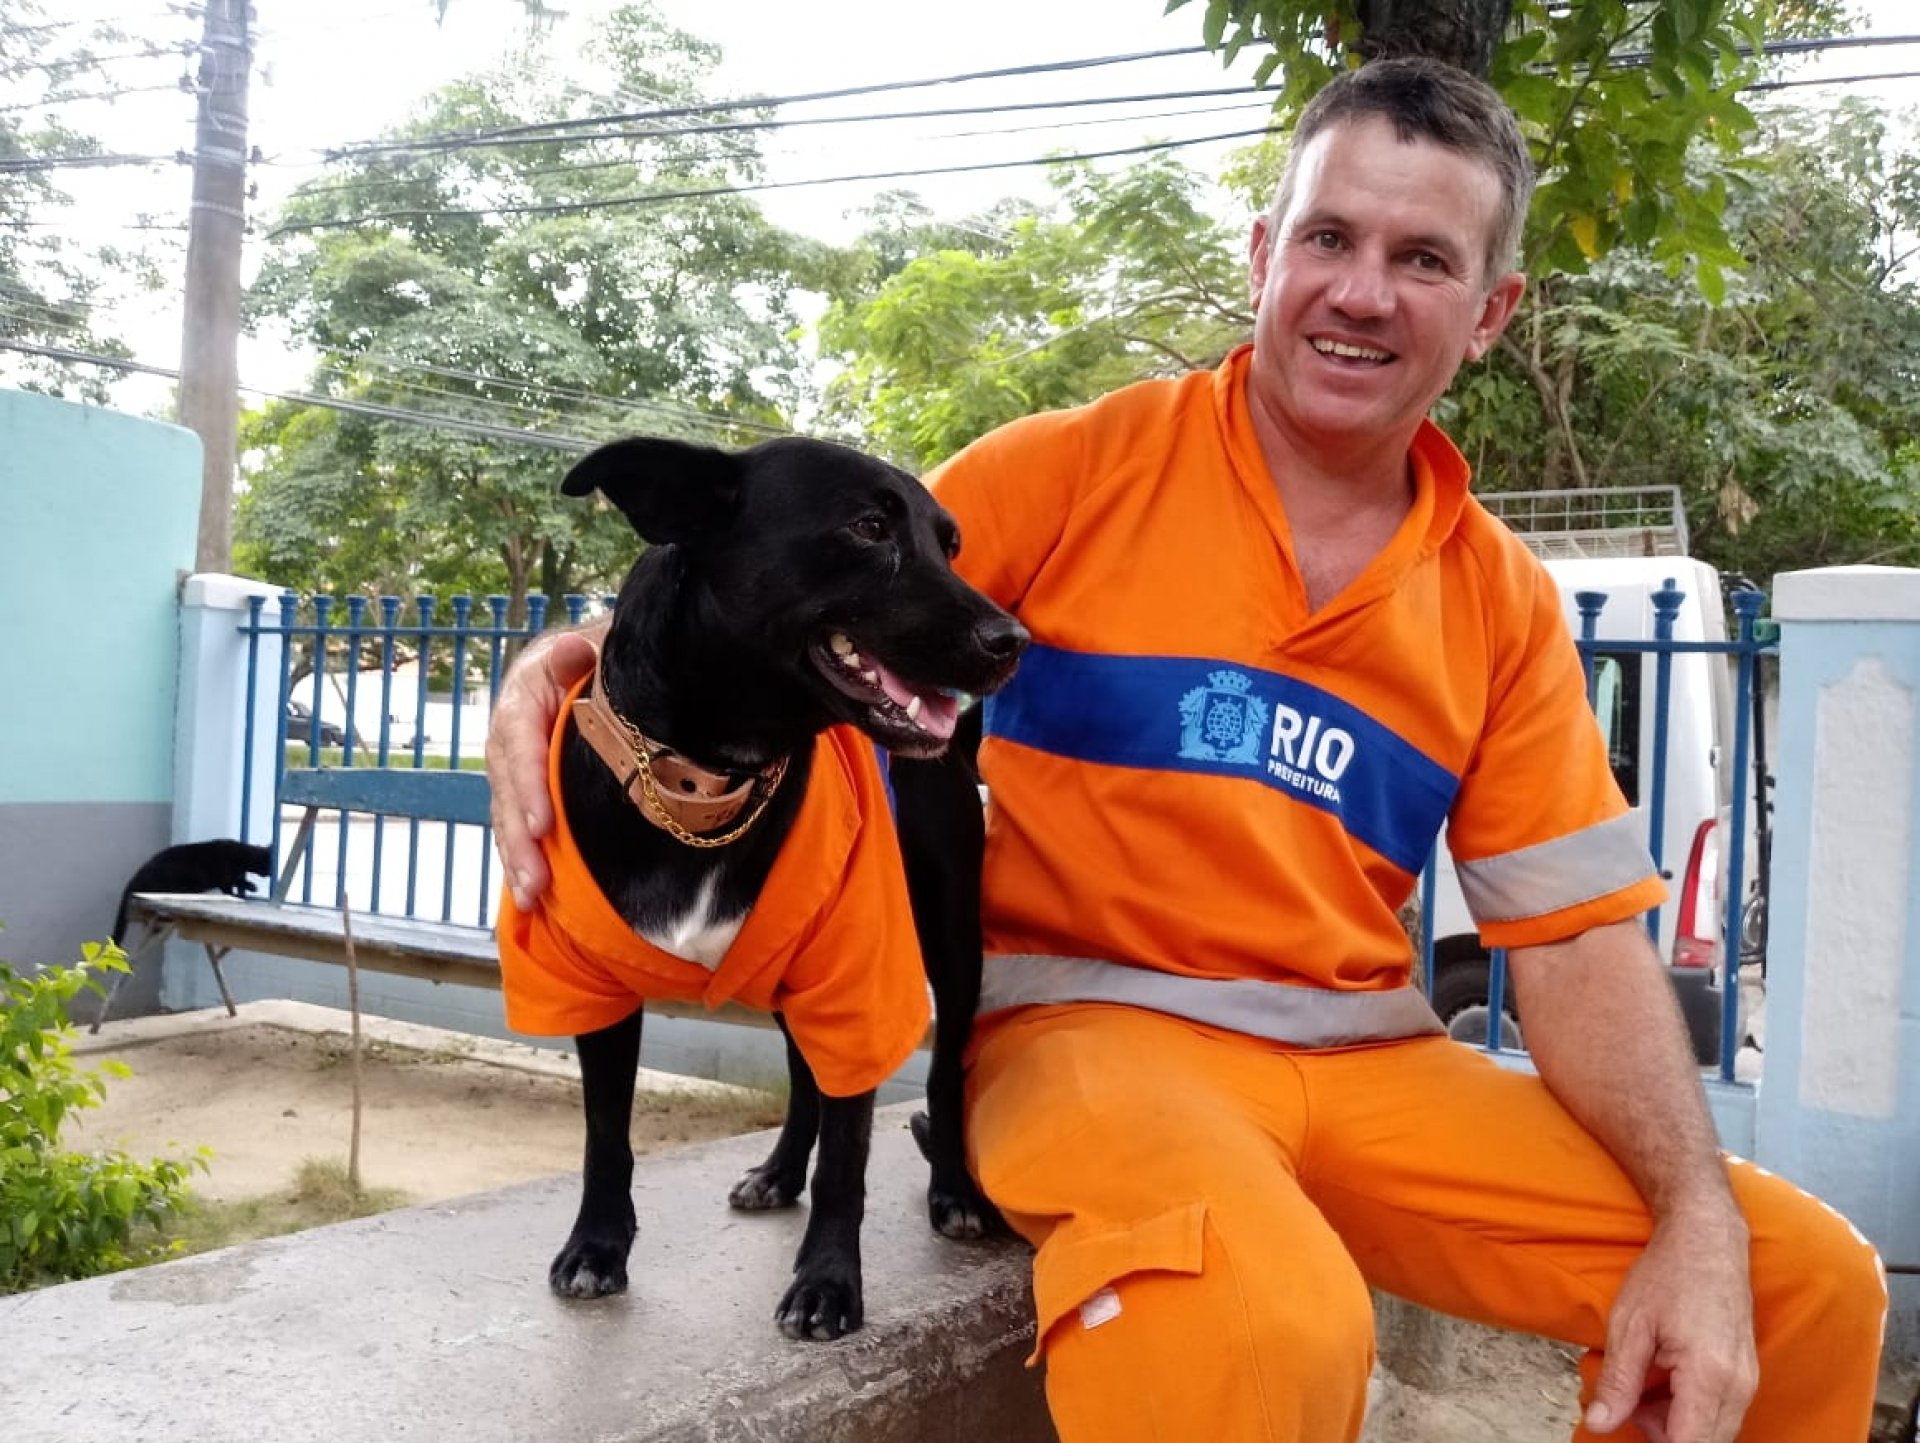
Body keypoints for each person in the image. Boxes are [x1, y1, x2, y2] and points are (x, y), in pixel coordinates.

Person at [487, 56, 1886, 1443]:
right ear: (1267, 255)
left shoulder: (1499, 600)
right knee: (1262, 1329)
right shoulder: (1073, 470)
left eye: (1423, 258)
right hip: (1089, 1035)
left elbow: (1576, 940)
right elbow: (777, 594)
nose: (1361, 292)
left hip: (1371, 1063)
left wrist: (1697, 1215)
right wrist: (564, 667)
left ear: (1490, 313)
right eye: (1329, 238)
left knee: (1798, 1286)